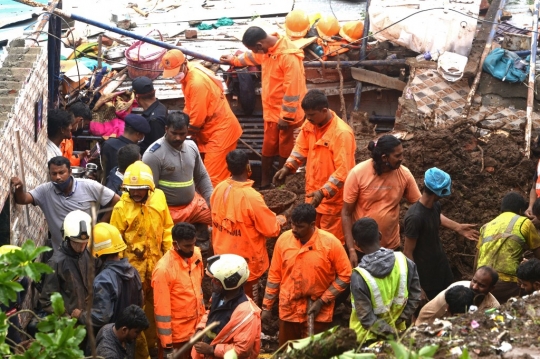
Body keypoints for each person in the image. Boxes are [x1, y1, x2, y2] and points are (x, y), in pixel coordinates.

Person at [342, 136, 478, 267]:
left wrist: (457, 227)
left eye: (402, 154)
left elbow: (425, 207)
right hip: (363, 248)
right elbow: (346, 213)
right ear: (384, 157)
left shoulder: (404, 174)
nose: (402, 159)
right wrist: (351, 250)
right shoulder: (357, 174)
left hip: (391, 247)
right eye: (397, 155)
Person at [220, 26, 307, 190]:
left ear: (260, 45)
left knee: (285, 149)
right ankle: (265, 182)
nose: (254, 52)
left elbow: (293, 89)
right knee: (268, 147)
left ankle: (281, 184)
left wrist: (286, 117)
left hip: (286, 116)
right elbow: (251, 57)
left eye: (254, 48)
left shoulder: (288, 56)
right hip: (271, 113)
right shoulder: (265, 51)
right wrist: (233, 60)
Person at [262, 204, 351, 345]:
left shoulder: (330, 243)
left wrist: (322, 301)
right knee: (287, 351)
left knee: (313, 351)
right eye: (292, 224)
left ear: (312, 224)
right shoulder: (284, 240)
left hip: (318, 311)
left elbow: (345, 275)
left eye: (300, 226)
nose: (294, 230)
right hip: (289, 308)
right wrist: (267, 307)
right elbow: (274, 276)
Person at [274, 89, 355, 243]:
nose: (307, 119)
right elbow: (300, 149)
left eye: (311, 115)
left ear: (324, 111)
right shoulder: (311, 123)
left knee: (331, 242)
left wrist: (323, 192)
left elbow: (344, 171)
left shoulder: (341, 134)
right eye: (306, 115)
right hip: (313, 195)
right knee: (312, 237)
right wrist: (288, 167)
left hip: (333, 201)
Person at [110, 160, 173, 356]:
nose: (135, 193)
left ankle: (155, 346)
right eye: (132, 190)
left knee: (157, 310)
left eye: (140, 190)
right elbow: (116, 241)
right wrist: (121, 272)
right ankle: (140, 353)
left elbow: (167, 229)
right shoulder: (121, 208)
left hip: (156, 268)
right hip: (132, 273)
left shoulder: (159, 198)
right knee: (136, 313)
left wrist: (170, 258)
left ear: (150, 188)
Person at [211, 150, 286, 302]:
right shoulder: (252, 197)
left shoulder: (219, 189)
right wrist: (280, 219)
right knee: (248, 304)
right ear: (248, 166)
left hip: (221, 260)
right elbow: (271, 229)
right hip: (245, 264)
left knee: (223, 299)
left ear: (228, 167)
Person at [161, 49, 243, 187]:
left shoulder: (196, 83)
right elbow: (189, 105)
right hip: (212, 129)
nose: (174, 76)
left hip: (220, 132)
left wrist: (182, 135)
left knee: (213, 180)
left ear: (183, 64)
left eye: (175, 72)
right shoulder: (189, 72)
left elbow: (197, 119)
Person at [11, 156, 120, 251]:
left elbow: (116, 201)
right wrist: (20, 188)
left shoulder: (89, 186)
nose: (58, 177)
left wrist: (99, 226)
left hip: (88, 250)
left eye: (61, 173)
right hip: (61, 253)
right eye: (54, 174)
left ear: (70, 172)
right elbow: (23, 200)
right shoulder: (45, 191)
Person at [142, 112, 213, 251]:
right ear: (166, 129)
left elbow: (202, 176)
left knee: (219, 215)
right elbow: (151, 193)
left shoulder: (192, 146)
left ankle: (202, 242)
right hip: (169, 210)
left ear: (187, 130)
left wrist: (212, 201)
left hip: (194, 205)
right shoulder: (153, 155)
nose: (178, 137)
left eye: (182, 133)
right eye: (174, 133)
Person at [349, 217, 421, 344]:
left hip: (367, 340)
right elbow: (415, 296)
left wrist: (390, 333)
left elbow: (366, 318)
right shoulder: (404, 261)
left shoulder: (359, 276)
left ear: (357, 244)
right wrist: (397, 323)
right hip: (398, 333)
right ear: (380, 235)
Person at [403, 168, 471, 300]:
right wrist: (416, 284)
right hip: (426, 275)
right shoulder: (414, 218)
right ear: (439, 192)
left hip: (441, 266)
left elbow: (436, 216)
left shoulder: (435, 205)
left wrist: (457, 227)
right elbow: (407, 252)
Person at [72, 223, 143, 341]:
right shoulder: (133, 271)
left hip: (110, 338)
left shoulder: (104, 279)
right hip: (128, 336)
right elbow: (140, 301)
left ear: (97, 252)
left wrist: (80, 315)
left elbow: (101, 317)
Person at [192, 254, 261, 359]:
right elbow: (211, 314)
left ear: (229, 283)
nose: (212, 282)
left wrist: (212, 350)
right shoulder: (218, 295)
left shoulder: (246, 314)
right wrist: (201, 330)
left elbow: (242, 350)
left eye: (216, 280)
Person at [152, 223, 205, 359]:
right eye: (187, 246)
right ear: (175, 244)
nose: (191, 249)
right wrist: (167, 345)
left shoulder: (197, 255)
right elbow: (161, 311)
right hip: (177, 338)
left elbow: (199, 291)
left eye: (193, 244)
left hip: (197, 329)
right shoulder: (163, 270)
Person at [476, 192, 540, 303]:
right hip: (509, 283)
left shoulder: (485, 226)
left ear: (502, 209)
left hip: (482, 283)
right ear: (521, 211)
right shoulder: (524, 222)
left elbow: (477, 256)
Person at [38, 210, 98, 318]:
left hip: (88, 318)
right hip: (69, 326)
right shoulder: (56, 263)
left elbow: (99, 274)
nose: (82, 247)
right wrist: (66, 318)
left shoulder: (88, 254)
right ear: (67, 238)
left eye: (85, 243)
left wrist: (94, 291)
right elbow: (47, 300)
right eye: (77, 242)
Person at [415, 266, 500, 325]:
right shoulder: (454, 293)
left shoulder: (493, 307)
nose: (475, 287)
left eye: (481, 285)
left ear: (491, 289)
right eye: (474, 281)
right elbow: (425, 317)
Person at [132, 76, 168, 154]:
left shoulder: (154, 120)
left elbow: (158, 148)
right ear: (154, 91)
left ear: (137, 97)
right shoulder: (161, 106)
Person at [61, 101, 92, 166]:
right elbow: (61, 164)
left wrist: (81, 156)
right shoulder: (62, 136)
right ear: (80, 120)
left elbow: (67, 160)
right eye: (85, 124)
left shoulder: (69, 135)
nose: (83, 127)